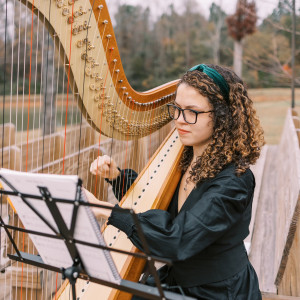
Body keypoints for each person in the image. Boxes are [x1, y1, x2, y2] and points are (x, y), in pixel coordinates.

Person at [87, 64, 265, 300]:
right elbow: (152, 203)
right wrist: (117, 177)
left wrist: (105, 210)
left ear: (223, 116)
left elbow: (177, 239)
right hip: (178, 281)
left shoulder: (234, 180)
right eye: (177, 109)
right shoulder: (187, 156)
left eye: (192, 112)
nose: (179, 120)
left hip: (216, 291)